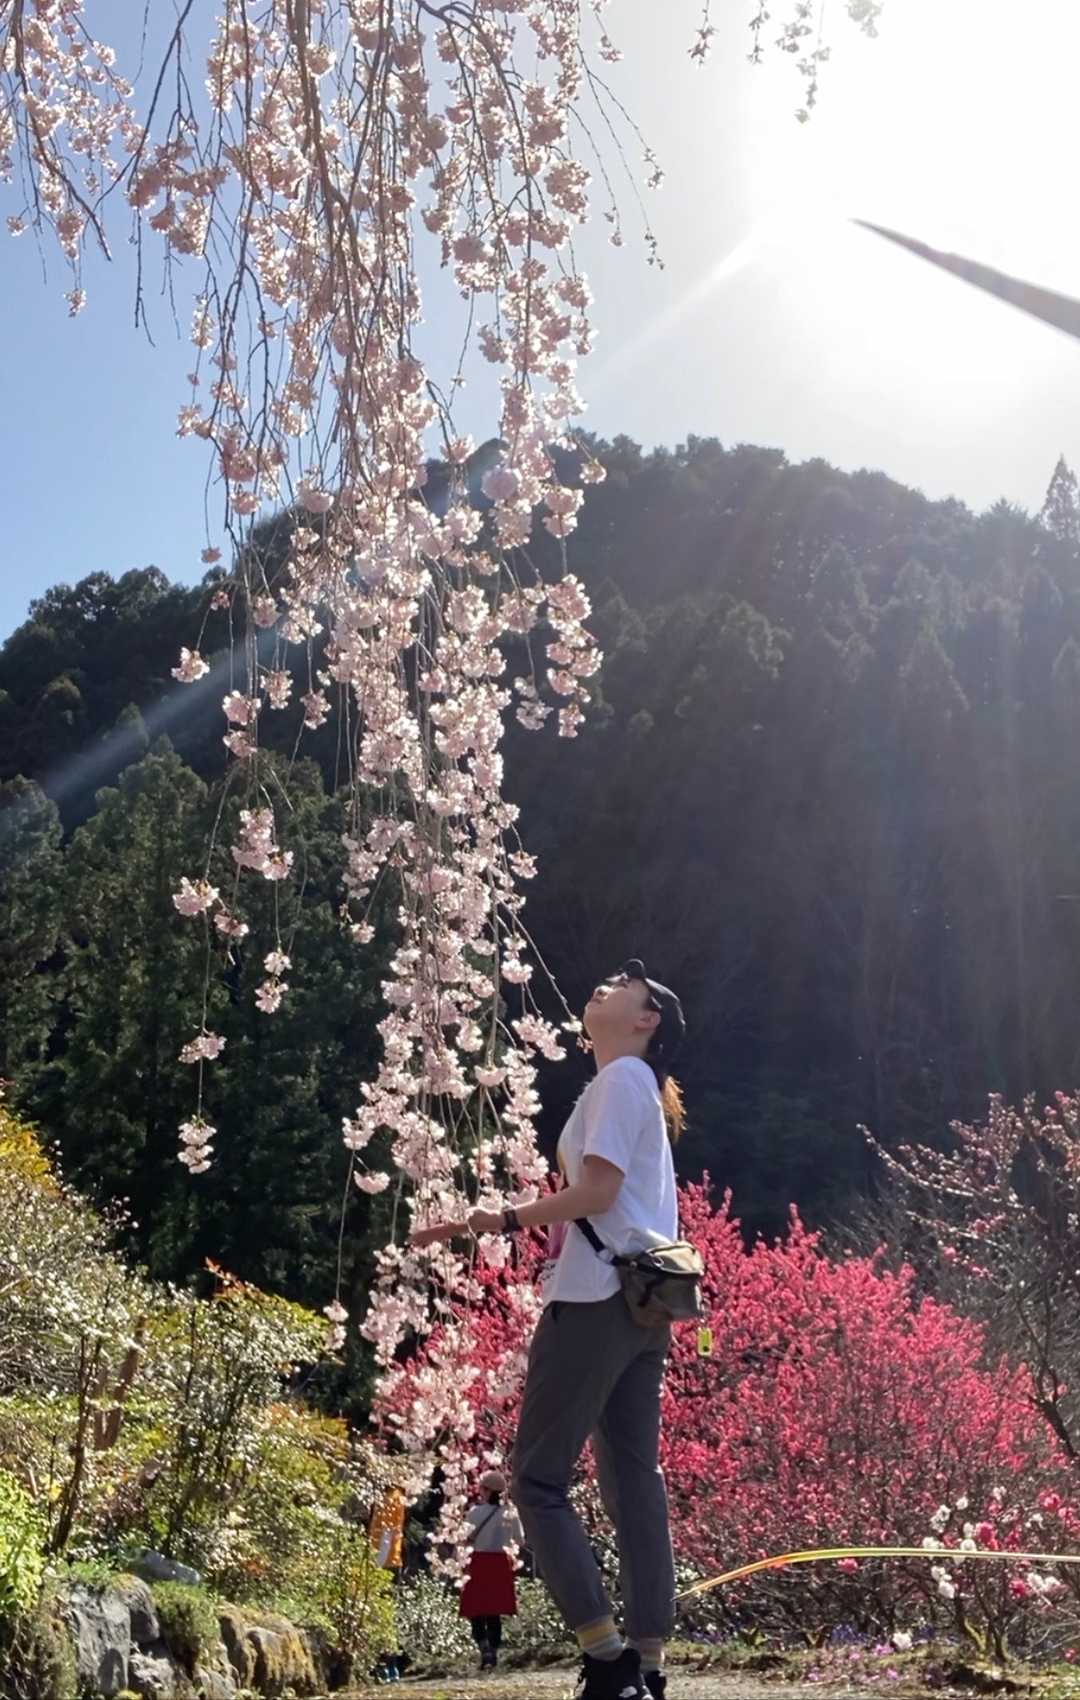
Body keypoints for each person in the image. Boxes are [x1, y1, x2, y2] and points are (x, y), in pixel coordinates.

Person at [412, 959, 686, 1700]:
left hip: (595, 1299)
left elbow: (596, 1193)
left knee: (536, 1480)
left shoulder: (620, 1079)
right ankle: (648, 1664)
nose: (611, 981)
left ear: (646, 1019)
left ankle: (605, 1654)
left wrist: (495, 1219)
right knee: (634, 1481)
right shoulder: (633, 1086)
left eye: (630, 982)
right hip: (645, 1306)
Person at [459, 1467, 523, 1670]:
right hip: (500, 1562)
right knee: (494, 1611)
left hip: (478, 1562)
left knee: (476, 1609)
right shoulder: (510, 1513)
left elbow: (463, 1539)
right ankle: (493, 1651)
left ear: (486, 1490)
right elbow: (520, 1540)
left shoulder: (475, 1513)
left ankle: (484, 1647)